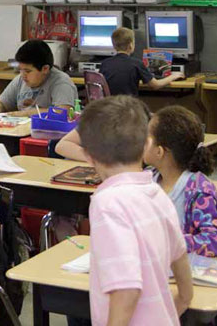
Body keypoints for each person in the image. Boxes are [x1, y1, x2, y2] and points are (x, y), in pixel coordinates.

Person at [78, 96, 193, 325]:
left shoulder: (107, 203)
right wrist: (183, 300)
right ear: (145, 146)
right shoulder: (155, 191)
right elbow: (180, 256)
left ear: (88, 156)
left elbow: (127, 289)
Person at [144, 106, 217, 257]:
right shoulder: (146, 179)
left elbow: (215, 240)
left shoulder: (198, 189)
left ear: (159, 151)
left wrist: (167, 244)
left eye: (147, 139)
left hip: (180, 273)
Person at [0, 39, 78, 117]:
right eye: (20, 70)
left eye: (28, 71)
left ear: (45, 69)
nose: (23, 75)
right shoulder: (20, 80)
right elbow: (2, 103)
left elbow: (63, 112)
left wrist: (26, 114)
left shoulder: (61, 82)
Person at [100, 27, 184, 96]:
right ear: (131, 45)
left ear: (114, 45)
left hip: (109, 108)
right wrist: (174, 76)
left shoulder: (105, 63)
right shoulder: (136, 63)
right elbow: (155, 85)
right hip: (129, 109)